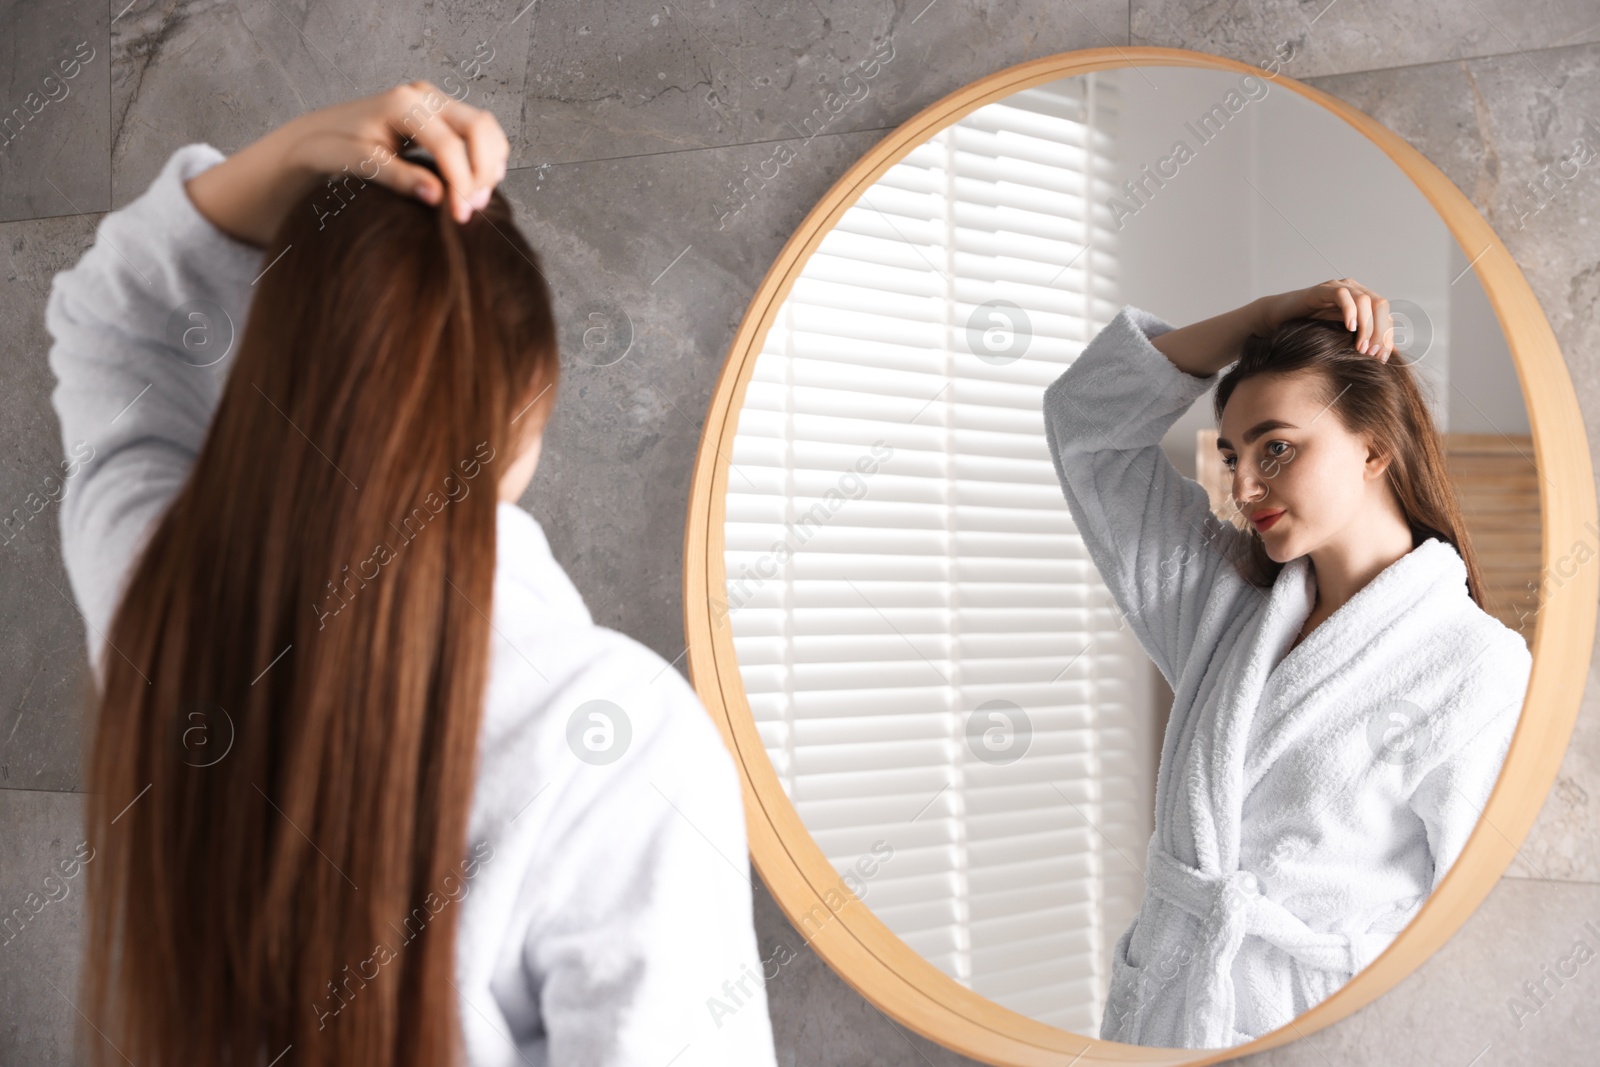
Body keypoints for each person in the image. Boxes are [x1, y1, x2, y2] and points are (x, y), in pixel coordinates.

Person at [47, 81, 779, 1067]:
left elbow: (111, 323)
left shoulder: (165, 611)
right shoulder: (613, 730)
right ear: (528, 398)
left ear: (276, 377)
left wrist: (300, 150)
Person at [1040, 281, 1532, 1048]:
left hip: (1322, 1033)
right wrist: (1260, 318)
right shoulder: (1221, 601)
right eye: (1233, 455)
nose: (1241, 487)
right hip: (1167, 1019)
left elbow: (1472, 938)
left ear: (1374, 445)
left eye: (1277, 447)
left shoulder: (1474, 664)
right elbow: (1086, 422)